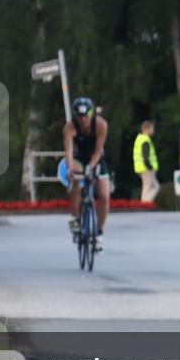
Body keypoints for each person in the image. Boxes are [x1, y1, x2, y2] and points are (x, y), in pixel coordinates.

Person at [63, 97, 110, 251]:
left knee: (103, 196)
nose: (83, 120)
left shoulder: (101, 125)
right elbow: (69, 152)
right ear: (75, 116)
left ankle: (99, 233)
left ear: (92, 114)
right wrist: (70, 168)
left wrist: (91, 167)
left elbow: (98, 152)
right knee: (76, 178)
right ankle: (75, 218)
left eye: (86, 116)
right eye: (80, 116)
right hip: (78, 157)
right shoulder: (70, 128)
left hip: (96, 157)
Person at [133, 121, 160, 203]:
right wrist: (150, 166)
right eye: (152, 128)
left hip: (141, 167)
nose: (153, 130)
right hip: (147, 168)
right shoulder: (145, 140)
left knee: (151, 186)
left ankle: (145, 203)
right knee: (151, 187)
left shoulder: (140, 139)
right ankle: (145, 203)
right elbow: (146, 156)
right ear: (147, 129)